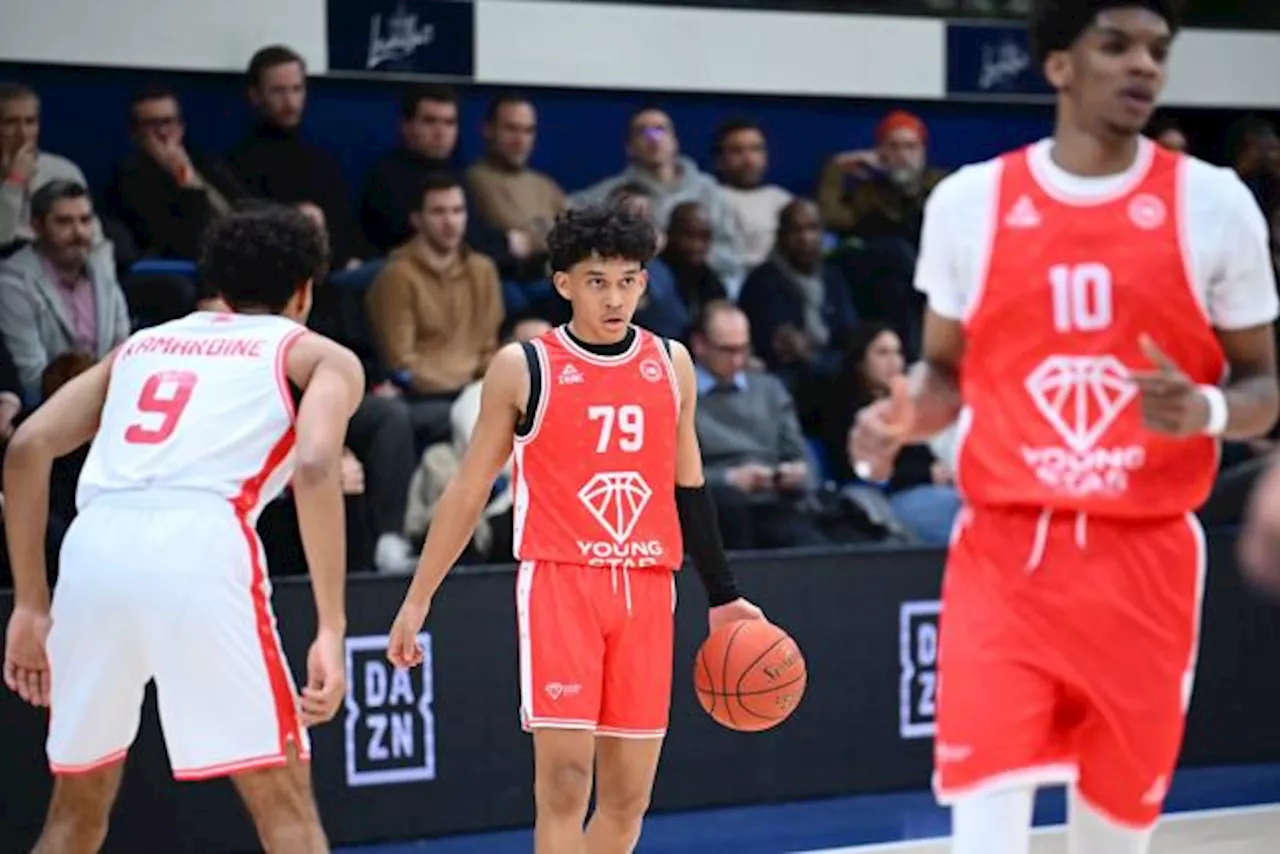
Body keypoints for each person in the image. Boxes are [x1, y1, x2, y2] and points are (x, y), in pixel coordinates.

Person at [850, 3, 1280, 854]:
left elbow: (1266, 386)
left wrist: (1211, 411)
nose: (1144, 68)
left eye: (1157, 51)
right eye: (1116, 45)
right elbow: (944, 375)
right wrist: (904, 416)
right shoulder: (972, 202)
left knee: (1113, 840)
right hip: (1008, 554)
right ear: (1057, 66)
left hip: (1146, 559)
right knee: (985, 831)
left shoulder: (1213, 203)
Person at [386, 203, 764, 853]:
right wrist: (417, 600)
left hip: (647, 587)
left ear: (644, 281)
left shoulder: (671, 363)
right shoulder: (523, 366)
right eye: (597, 281)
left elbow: (690, 488)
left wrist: (724, 597)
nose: (615, 297)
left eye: (628, 279)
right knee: (564, 782)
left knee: (627, 800)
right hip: (562, 583)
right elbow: (470, 488)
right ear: (563, 283)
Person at [2, 204, 366, 853]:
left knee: (75, 811)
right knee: (282, 800)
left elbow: (27, 446)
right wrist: (332, 627)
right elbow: (314, 465)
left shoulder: (141, 345)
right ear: (307, 290)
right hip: (201, 541)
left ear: (220, 289)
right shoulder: (318, 354)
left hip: (94, 547)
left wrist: (31, 603)